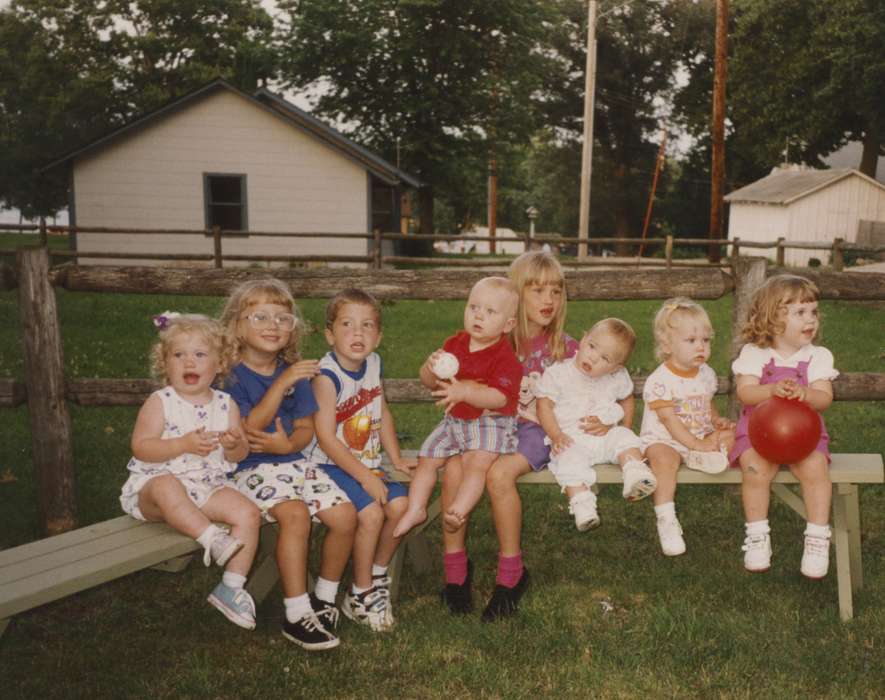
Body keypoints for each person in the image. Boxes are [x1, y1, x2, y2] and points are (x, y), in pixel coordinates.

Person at [220, 279, 357, 651]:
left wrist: (287, 445)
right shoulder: (231, 376)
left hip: (295, 461)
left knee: (345, 517)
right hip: (248, 469)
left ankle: (323, 600)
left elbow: (305, 428)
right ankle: (296, 614)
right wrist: (281, 384)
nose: (273, 324)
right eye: (261, 316)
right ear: (237, 325)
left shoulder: (296, 372)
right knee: (295, 515)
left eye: (284, 318)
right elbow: (248, 429)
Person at [120, 312, 260, 630]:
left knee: (248, 513)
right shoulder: (161, 402)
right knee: (167, 484)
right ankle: (211, 538)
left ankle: (231, 587)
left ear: (220, 363)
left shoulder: (226, 405)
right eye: (178, 355)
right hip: (154, 491)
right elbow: (141, 447)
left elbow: (237, 455)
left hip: (204, 485)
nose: (189, 363)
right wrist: (181, 444)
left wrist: (234, 442)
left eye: (199, 354)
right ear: (165, 363)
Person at [303, 288, 414, 632]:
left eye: (367, 326)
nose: (358, 333)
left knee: (402, 507)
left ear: (378, 337)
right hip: (327, 465)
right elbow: (325, 438)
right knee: (370, 512)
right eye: (347, 324)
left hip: (366, 462)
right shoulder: (327, 376)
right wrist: (366, 476)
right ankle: (361, 593)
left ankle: (376, 575)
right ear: (330, 333)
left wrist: (394, 457)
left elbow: (381, 411)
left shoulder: (374, 364)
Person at [479, 251, 579, 620]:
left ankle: (510, 576)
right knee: (461, 466)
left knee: (499, 474)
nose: (548, 300)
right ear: (515, 296)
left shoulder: (566, 349)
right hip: (492, 427)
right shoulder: (496, 343)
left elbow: (593, 393)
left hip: (539, 431)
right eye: (537, 291)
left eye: (555, 290)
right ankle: (454, 574)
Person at [393, 276, 522, 547]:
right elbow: (430, 384)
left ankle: (458, 511)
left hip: (491, 423)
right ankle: (416, 508)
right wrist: (429, 368)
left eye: (490, 312)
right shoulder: (455, 344)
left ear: (508, 325)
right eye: (473, 307)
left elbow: (500, 397)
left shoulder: (505, 357)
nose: (478, 315)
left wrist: (465, 392)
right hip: (455, 421)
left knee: (476, 464)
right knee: (427, 458)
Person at [730, 274, 837, 579]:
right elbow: (745, 393)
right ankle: (757, 534)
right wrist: (771, 391)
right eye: (800, 313)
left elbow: (824, 398)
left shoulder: (818, 356)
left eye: (813, 311)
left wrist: (806, 395)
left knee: (815, 468)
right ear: (773, 319)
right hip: (759, 434)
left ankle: (817, 536)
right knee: (755, 469)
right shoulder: (755, 354)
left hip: (805, 436)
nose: (811, 320)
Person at [536, 318, 655, 531]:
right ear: (583, 340)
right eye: (592, 346)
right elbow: (543, 405)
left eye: (605, 358)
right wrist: (555, 435)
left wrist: (624, 426)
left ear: (615, 367)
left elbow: (627, 398)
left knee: (624, 437)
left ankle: (634, 472)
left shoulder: (616, 377)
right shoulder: (559, 373)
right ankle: (582, 504)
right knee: (567, 460)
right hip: (571, 438)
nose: (593, 357)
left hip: (604, 438)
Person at [640, 298, 736, 557]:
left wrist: (716, 421)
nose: (701, 347)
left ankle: (701, 456)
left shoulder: (705, 373)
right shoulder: (660, 380)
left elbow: (706, 403)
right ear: (667, 345)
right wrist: (695, 443)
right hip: (664, 439)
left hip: (697, 435)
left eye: (705, 340)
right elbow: (670, 421)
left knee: (731, 436)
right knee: (663, 460)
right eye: (691, 341)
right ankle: (666, 518)